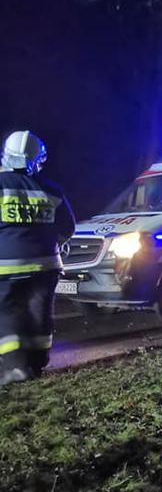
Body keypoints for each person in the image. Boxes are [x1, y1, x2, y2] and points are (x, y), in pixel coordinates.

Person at [0, 131, 75, 385]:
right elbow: (68, 228)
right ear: (36, 159)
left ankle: (15, 368)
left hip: (5, 268)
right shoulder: (51, 189)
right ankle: (37, 363)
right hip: (46, 267)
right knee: (38, 312)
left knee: (8, 312)